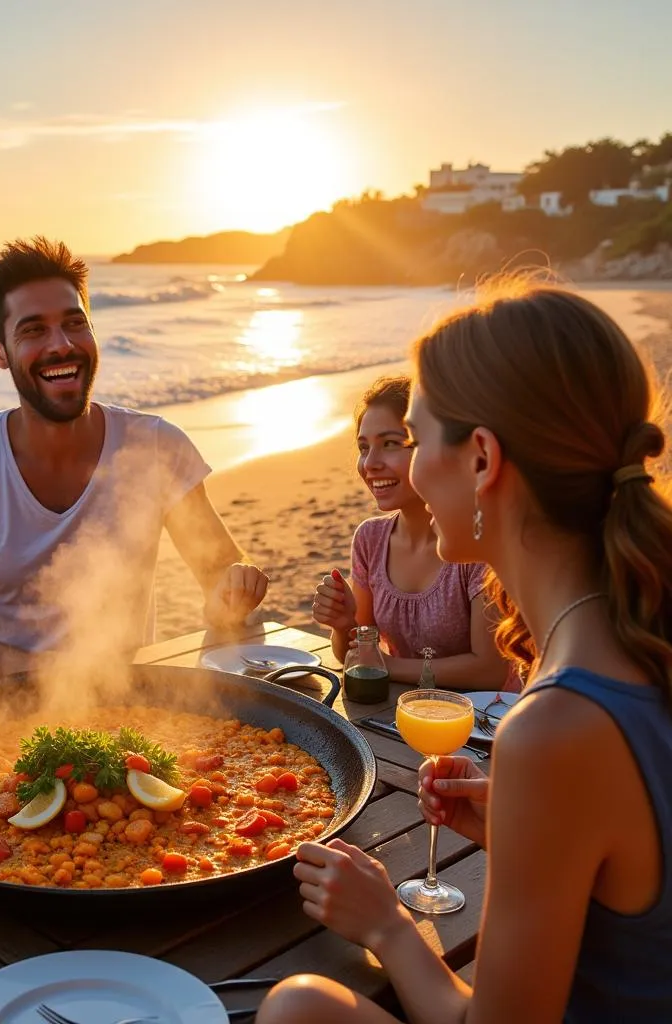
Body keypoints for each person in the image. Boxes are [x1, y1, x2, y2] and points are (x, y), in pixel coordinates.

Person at [258, 280, 672, 1024]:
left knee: (298, 1006)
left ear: (481, 459)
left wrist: (387, 924)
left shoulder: (557, 727)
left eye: (414, 439)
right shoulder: (639, 634)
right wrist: (523, 828)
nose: (406, 469)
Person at [0, 237, 268, 682]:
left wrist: (233, 590)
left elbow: (221, 572)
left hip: (127, 704)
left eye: (74, 323)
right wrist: (42, 673)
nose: (61, 345)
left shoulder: (157, 446)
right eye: (33, 329)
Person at [312, 375, 510, 689]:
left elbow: (490, 671)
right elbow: (353, 659)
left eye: (391, 444)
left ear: (430, 448)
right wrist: (343, 625)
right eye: (364, 448)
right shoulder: (370, 540)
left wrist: (389, 666)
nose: (370, 463)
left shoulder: (473, 542)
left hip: (484, 724)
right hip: (409, 716)